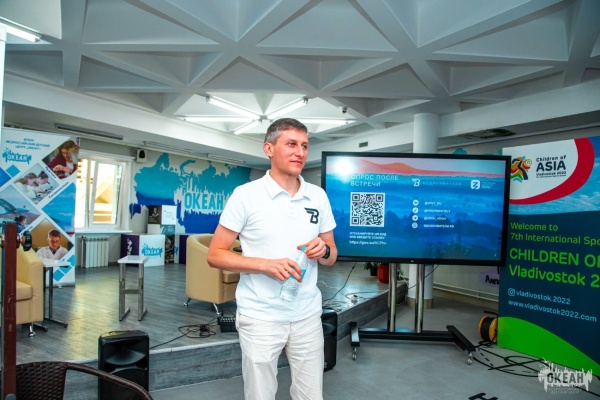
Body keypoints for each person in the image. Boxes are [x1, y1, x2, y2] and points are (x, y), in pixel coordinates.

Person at [207, 118, 337, 400]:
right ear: (269, 148)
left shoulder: (318, 196)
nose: (300, 152)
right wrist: (264, 265)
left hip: (307, 315)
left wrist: (324, 250)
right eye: (291, 144)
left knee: (311, 396)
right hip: (260, 317)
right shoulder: (245, 196)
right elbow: (215, 254)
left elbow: (331, 255)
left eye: (304, 146)